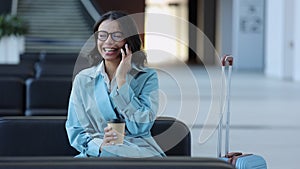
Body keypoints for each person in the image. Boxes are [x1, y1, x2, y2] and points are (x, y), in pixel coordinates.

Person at [65, 11, 166, 158]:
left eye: (117, 36)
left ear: (128, 40)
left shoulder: (147, 77)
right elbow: (76, 130)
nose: (108, 42)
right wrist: (100, 145)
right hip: (97, 152)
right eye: (102, 35)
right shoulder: (83, 79)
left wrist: (122, 81)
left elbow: (140, 127)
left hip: (139, 150)